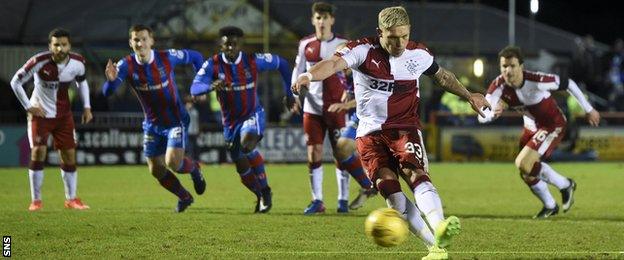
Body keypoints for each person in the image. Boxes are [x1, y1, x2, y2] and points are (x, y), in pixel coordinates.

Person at [293, 6, 490, 260]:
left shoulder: (418, 53)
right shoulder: (361, 50)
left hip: (404, 128)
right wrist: (309, 75)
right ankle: (436, 248)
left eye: (404, 36)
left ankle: (440, 224)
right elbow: (332, 63)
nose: (399, 43)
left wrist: (469, 95)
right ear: (380, 33)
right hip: (369, 135)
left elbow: (442, 76)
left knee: (414, 172)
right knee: (393, 199)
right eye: (392, 37)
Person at [478, 46, 600, 218]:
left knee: (523, 163)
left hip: (553, 125)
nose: (508, 70)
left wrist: (588, 109)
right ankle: (550, 205)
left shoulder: (536, 80)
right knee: (526, 172)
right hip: (531, 128)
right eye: (504, 66)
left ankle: (565, 184)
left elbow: (569, 84)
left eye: (512, 66)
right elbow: (481, 115)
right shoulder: (498, 85)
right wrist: (492, 115)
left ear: (521, 66)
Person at [190, 26, 296, 213]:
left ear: (241, 44)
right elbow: (195, 88)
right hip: (230, 123)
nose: (230, 48)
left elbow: (282, 64)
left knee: (247, 144)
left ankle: (265, 190)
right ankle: (259, 195)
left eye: (234, 44)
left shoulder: (253, 61)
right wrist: (210, 86)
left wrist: (289, 93)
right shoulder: (212, 64)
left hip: (252, 114)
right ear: (220, 45)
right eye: (226, 44)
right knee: (241, 166)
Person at [102, 24, 206, 213]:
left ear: (151, 41)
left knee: (173, 163)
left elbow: (197, 57)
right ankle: (184, 196)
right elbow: (108, 92)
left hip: (176, 120)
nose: (140, 43)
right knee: (156, 170)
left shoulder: (167, 57)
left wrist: (200, 83)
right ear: (130, 43)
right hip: (152, 124)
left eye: (143, 39)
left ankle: (194, 169)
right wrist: (110, 82)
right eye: (136, 39)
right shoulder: (125, 65)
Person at [292, 1, 374, 215]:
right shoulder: (305, 44)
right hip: (312, 107)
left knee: (341, 153)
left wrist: (347, 102)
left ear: (332, 20)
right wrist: (294, 94)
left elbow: (359, 80)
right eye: (317, 17)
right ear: (313, 20)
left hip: (338, 109)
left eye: (325, 17)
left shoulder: (344, 45)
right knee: (314, 152)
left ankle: (342, 199)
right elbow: (298, 70)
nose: (321, 21)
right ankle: (317, 200)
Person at [10, 28, 93, 211]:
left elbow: (83, 82)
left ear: (69, 46)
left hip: (63, 116)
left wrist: (87, 107)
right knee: (38, 152)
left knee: (69, 155)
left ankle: (71, 199)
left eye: (63, 44)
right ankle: (36, 201)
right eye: (56, 44)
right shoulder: (39, 61)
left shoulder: (78, 63)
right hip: (40, 115)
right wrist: (28, 106)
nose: (60, 48)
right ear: (50, 46)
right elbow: (15, 81)